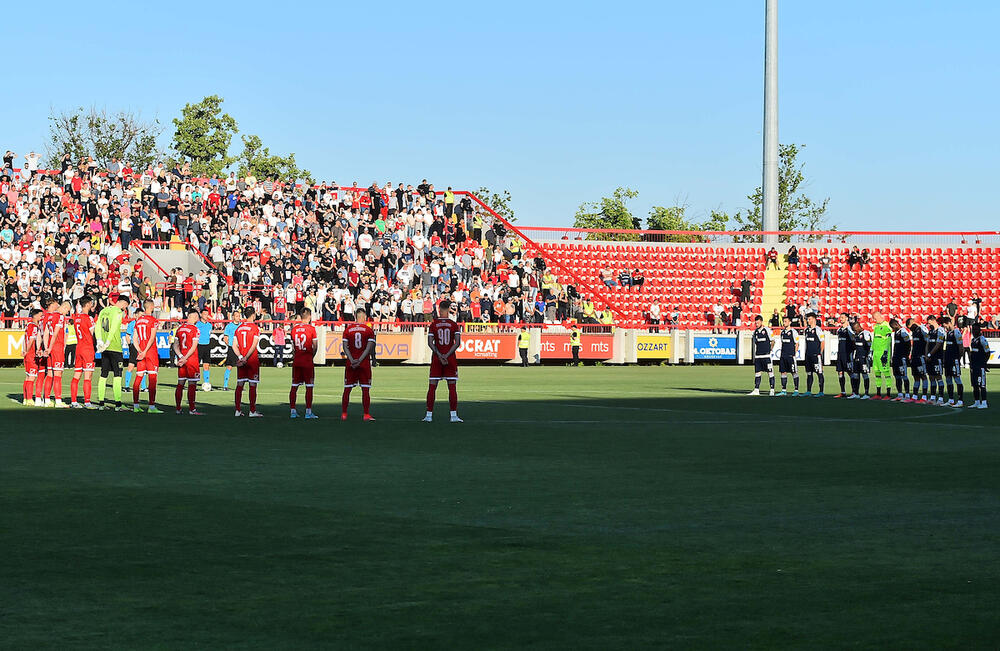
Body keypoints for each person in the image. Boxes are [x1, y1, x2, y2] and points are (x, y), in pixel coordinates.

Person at [424, 299, 462, 422]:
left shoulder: (434, 324)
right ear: (449, 310)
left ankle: (429, 416)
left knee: (432, 387)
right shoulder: (453, 324)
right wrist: (446, 355)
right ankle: (453, 416)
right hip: (450, 359)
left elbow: (430, 343)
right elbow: (457, 343)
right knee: (452, 387)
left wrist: (440, 355)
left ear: (439, 309)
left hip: (436, 358)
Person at [95, 295, 129, 411]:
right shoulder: (118, 312)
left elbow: (98, 326)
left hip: (104, 349)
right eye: (125, 306)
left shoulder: (104, 310)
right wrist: (108, 342)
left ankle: (101, 403)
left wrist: (99, 341)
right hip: (114, 347)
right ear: (123, 303)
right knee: (117, 375)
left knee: (103, 374)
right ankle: (118, 404)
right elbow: (114, 328)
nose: (125, 308)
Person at [342, 307, 376, 421]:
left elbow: (345, 347)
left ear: (355, 317)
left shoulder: (348, 330)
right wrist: (360, 360)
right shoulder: (368, 330)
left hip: (350, 363)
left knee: (347, 389)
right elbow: (369, 348)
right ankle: (366, 414)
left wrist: (352, 360)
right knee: (365, 389)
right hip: (364, 363)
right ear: (365, 317)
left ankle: (344, 414)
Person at [131, 300, 162, 413]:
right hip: (150, 352)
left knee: (139, 377)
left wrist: (140, 350)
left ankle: (135, 405)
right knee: (152, 378)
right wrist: (145, 351)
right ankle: (151, 406)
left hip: (141, 351)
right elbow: (152, 337)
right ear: (152, 307)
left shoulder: (138, 320)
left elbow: (134, 338)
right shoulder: (153, 320)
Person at [290, 308, 319, 420]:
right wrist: (312, 355)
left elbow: (293, 346)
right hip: (307, 360)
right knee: (309, 386)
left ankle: (293, 411)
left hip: (297, 360)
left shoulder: (294, 329)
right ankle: (308, 412)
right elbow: (315, 345)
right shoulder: (311, 329)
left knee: (294, 386)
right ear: (309, 316)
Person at [233, 307, 263, 417]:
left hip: (241, 360)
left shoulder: (239, 328)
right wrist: (246, 357)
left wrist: (241, 356)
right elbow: (254, 345)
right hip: (252, 359)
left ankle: (237, 410)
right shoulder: (255, 328)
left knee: (240, 384)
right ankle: (252, 411)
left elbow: (234, 345)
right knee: (252, 385)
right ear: (253, 315)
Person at [172, 311, 204, 415]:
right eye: (197, 317)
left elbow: (175, 345)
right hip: (191, 359)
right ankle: (192, 409)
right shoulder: (195, 329)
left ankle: (178, 408)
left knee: (180, 383)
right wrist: (185, 357)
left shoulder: (180, 328)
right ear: (194, 317)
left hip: (182, 360)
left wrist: (181, 357)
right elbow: (194, 346)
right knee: (192, 384)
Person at [40, 300, 71, 407]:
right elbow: (55, 333)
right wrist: (52, 347)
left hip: (50, 348)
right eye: (67, 311)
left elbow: (46, 333)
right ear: (65, 307)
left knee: (50, 374)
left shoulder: (49, 317)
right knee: (58, 375)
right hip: (57, 347)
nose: (67, 313)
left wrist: (46, 348)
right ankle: (58, 401)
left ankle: (47, 400)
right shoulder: (60, 317)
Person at [68, 298, 96, 408]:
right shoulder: (88, 318)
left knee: (76, 375)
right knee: (88, 376)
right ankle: (87, 402)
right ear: (88, 304)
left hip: (78, 347)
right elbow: (92, 333)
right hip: (87, 348)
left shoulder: (76, 318)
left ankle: (74, 401)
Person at [747, 315, 775, 396]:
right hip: (758, 356)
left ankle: (772, 390)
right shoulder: (755, 332)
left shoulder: (767, 330)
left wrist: (770, 349)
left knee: (770, 372)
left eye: (758, 322)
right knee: (757, 373)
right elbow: (755, 342)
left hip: (766, 356)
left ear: (761, 322)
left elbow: (773, 341)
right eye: (755, 323)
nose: (756, 324)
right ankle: (756, 389)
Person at [941, 316, 965, 407]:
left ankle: (960, 400)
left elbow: (960, 346)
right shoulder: (949, 333)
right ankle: (951, 399)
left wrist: (958, 358)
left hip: (954, 359)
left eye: (945, 326)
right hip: (948, 360)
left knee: (957, 378)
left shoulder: (956, 332)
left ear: (948, 323)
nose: (945, 328)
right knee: (948, 379)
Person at [925, 315, 947, 405]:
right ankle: (933, 397)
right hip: (929, 357)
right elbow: (927, 343)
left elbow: (938, 344)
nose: (928, 324)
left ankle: (941, 398)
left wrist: (930, 354)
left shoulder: (941, 330)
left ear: (932, 320)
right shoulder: (930, 332)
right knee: (931, 377)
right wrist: (926, 354)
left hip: (937, 357)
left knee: (938, 377)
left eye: (928, 322)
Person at [889, 318, 913, 402]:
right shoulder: (896, 332)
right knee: (897, 376)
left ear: (896, 325)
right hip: (896, 357)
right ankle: (899, 394)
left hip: (902, 357)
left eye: (892, 327)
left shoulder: (903, 332)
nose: (892, 329)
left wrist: (906, 355)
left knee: (904, 375)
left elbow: (908, 344)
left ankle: (907, 394)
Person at [847, 320, 872, 400]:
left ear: (858, 327)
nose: (854, 331)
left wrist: (868, 356)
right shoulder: (856, 335)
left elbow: (869, 346)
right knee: (855, 375)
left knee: (865, 375)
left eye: (855, 329)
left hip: (863, 358)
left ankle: (866, 393)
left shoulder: (866, 333)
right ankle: (856, 393)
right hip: (856, 357)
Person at [967, 322, 990, 409]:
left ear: (979, 330)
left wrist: (984, 363)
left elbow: (987, 352)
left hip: (980, 366)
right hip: (973, 366)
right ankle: (976, 402)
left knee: (982, 385)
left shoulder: (982, 339)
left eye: (975, 329)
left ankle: (984, 402)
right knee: (975, 385)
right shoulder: (973, 340)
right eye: (973, 329)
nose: (974, 331)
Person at [870, 311, 893, 400]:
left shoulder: (887, 326)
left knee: (886, 372)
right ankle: (878, 394)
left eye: (875, 318)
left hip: (883, 353)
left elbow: (888, 341)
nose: (874, 320)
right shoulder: (876, 326)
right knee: (877, 373)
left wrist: (886, 352)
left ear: (879, 316)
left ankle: (888, 394)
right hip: (876, 353)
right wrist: (871, 350)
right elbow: (874, 339)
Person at [22, 309, 43, 406]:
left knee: (27, 377)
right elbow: (31, 340)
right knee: (32, 377)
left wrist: (24, 350)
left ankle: (25, 399)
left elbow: (24, 339)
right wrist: (27, 351)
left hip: (27, 354)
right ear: (35, 316)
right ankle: (30, 399)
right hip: (31, 355)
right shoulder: (34, 326)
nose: (41, 317)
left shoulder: (28, 325)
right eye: (40, 315)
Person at [803, 313, 825, 396]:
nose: (808, 321)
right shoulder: (807, 330)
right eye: (807, 319)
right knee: (809, 373)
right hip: (808, 355)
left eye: (809, 319)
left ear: (814, 319)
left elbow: (822, 342)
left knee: (819, 373)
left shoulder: (818, 330)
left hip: (816, 355)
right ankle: (808, 391)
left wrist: (819, 353)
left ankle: (821, 392)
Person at [777, 316, 800, 396]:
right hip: (783, 355)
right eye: (783, 321)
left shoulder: (793, 332)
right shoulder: (782, 332)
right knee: (783, 372)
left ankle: (796, 390)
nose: (784, 323)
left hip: (791, 356)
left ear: (790, 322)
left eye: (786, 321)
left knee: (794, 372)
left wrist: (794, 354)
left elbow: (797, 343)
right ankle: (783, 390)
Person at [909, 318, 930, 403]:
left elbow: (927, 341)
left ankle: (924, 397)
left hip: (921, 357)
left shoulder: (922, 329)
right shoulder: (914, 332)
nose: (910, 328)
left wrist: (926, 354)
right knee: (916, 376)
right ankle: (914, 396)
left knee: (923, 376)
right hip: (914, 357)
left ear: (913, 323)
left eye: (910, 326)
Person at [833, 313, 852, 397]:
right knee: (840, 372)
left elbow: (853, 340)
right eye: (840, 318)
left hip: (847, 354)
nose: (841, 319)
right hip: (840, 354)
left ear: (847, 318)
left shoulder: (849, 329)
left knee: (850, 372)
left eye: (842, 317)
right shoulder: (839, 330)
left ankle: (854, 392)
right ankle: (843, 392)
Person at [221, 312, 240, 390]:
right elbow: (225, 338)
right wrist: (231, 346)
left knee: (241, 367)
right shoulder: (229, 326)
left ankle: (240, 385)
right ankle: (225, 385)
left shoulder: (241, 326)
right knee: (229, 366)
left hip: (240, 349)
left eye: (239, 316)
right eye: (236, 316)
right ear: (233, 317)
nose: (238, 317)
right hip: (232, 348)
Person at [197, 309, 213, 389]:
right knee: (196, 365)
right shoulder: (197, 325)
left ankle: (206, 383)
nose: (206, 316)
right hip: (199, 346)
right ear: (201, 315)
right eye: (205, 314)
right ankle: (194, 382)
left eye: (207, 314)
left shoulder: (210, 325)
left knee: (206, 365)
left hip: (207, 346)